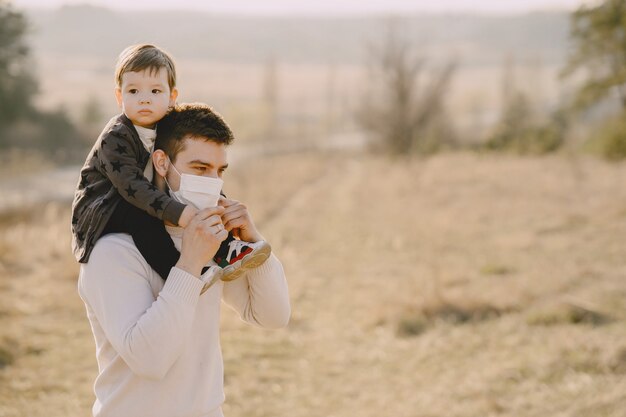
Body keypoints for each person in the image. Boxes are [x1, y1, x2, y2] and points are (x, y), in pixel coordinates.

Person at [78, 103, 290, 417]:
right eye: (200, 169)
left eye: (220, 171)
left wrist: (253, 242)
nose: (213, 182)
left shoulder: (210, 239)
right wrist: (190, 263)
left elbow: (272, 316)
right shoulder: (113, 251)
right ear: (162, 163)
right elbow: (150, 359)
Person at [71, 43, 269, 283]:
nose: (144, 100)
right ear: (119, 96)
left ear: (172, 97)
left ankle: (228, 250)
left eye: (155, 92)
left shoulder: (165, 128)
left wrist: (215, 198)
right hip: (106, 208)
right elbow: (132, 186)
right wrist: (181, 214)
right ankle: (177, 270)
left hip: (141, 197)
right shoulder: (116, 137)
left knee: (200, 188)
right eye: (133, 91)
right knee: (143, 219)